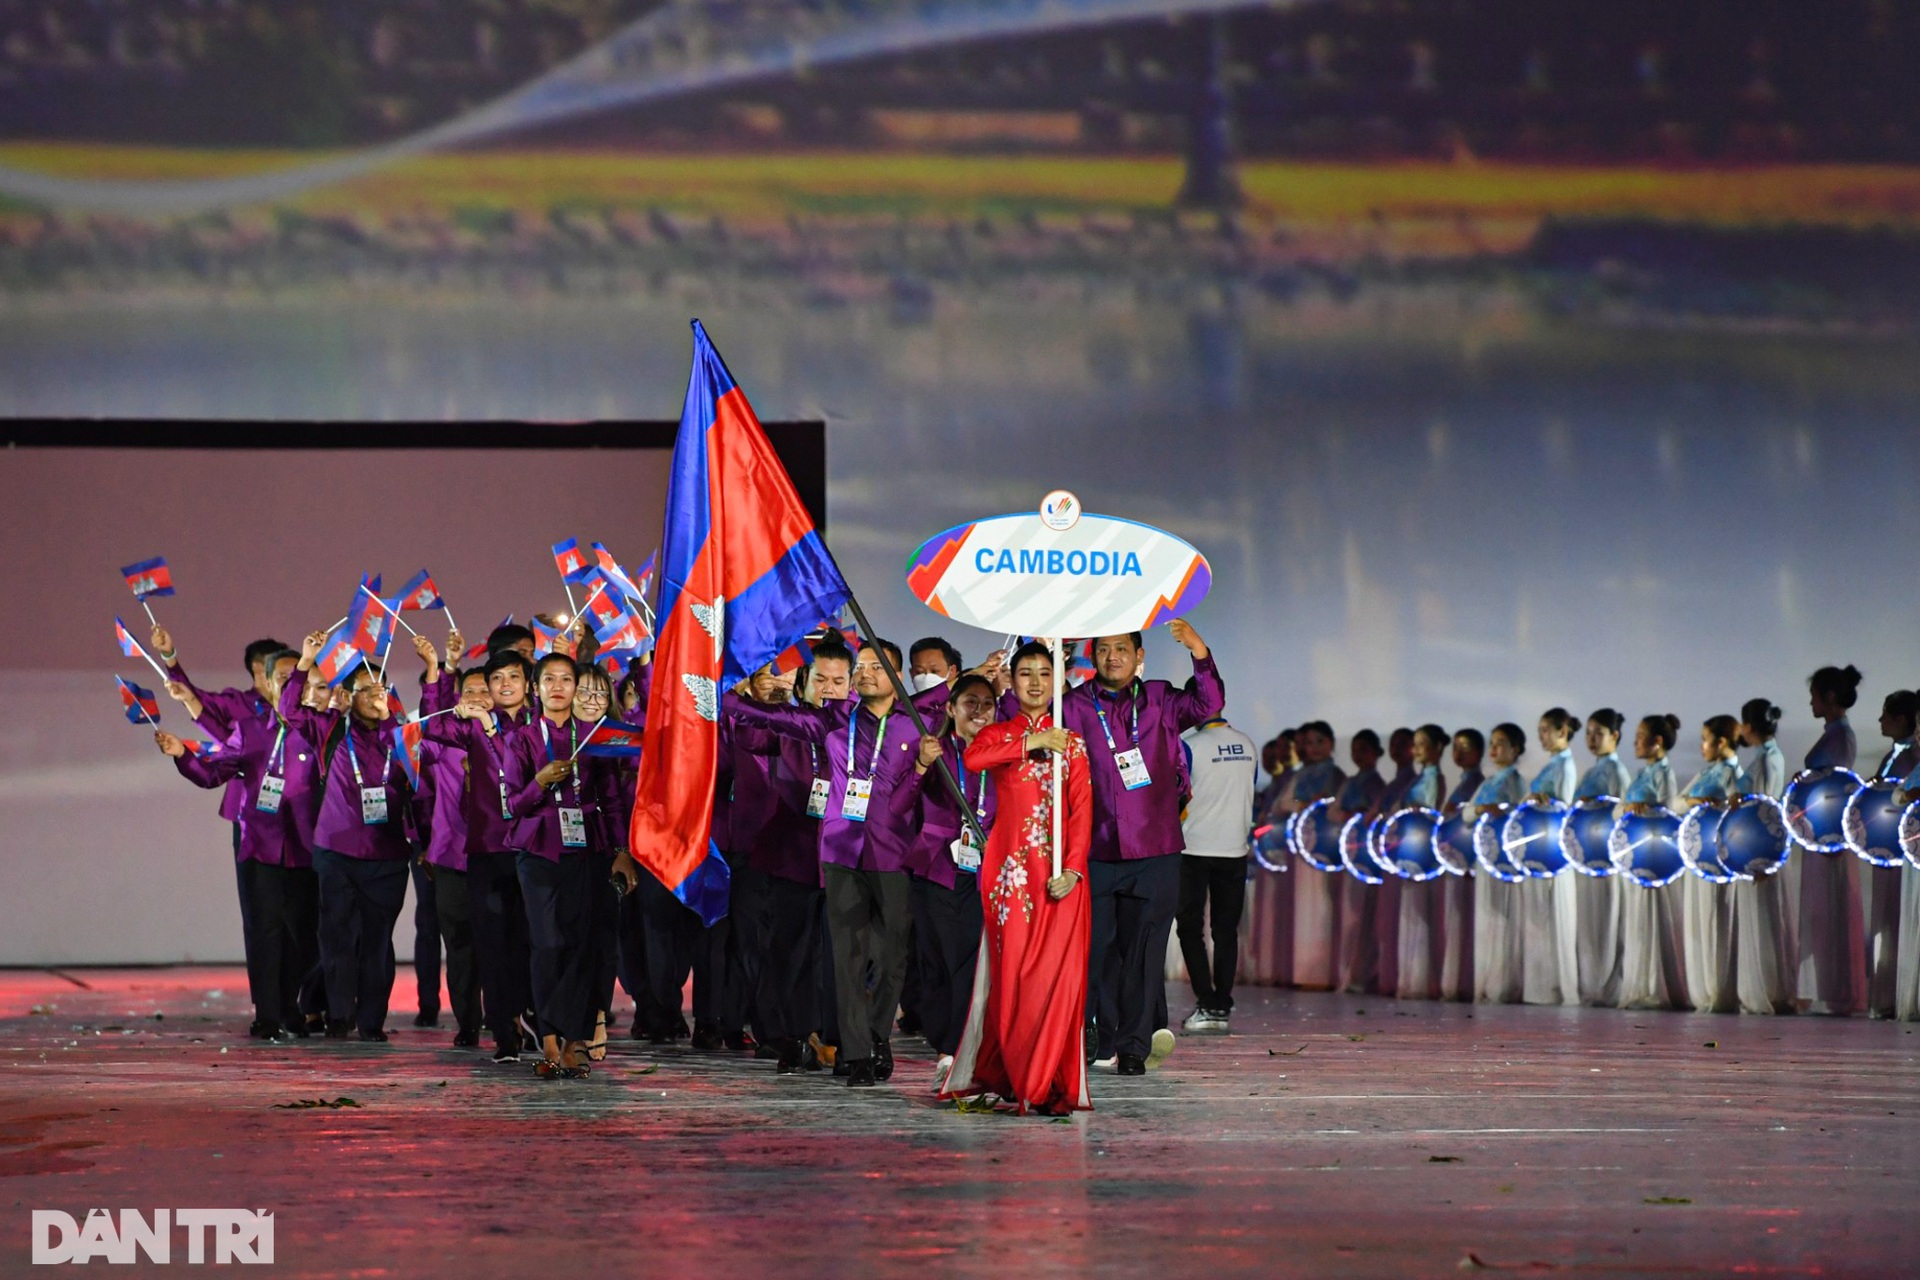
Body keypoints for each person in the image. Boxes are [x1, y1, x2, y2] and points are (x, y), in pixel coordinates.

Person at [727, 638, 925, 1087]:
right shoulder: (795, 725)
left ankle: (855, 1039)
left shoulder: (871, 725)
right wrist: (745, 695)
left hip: (868, 854)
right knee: (795, 954)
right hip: (794, 853)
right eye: (822, 680)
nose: (832, 689)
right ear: (803, 682)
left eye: (840, 679)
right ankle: (801, 1036)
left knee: (868, 956)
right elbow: (749, 735)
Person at [1066, 621, 1223, 1075]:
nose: (1112, 657)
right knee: (1091, 952)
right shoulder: (1074, 706)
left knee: (1143, 953)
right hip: (1093, 849)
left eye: (1122, 649)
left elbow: (1208, 702)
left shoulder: (1161, 699)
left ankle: (1133, 1047)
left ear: (1140, 657)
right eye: (1103, 650)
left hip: (1155, 849)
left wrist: (1198, 649)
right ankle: (1092, 1034)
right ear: (1091, 658)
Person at [943, 642, 1092, 1115]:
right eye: (1025, 673)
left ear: (1057, 681)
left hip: (1060, 877)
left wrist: (1072, 869)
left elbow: (1082, 811)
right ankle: (1015, 1073)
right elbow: (974, 760)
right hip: (1010, 876)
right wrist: (1032, 743)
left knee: (1057, 978)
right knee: (1014, 979)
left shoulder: (1073, 742)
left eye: (1044, 674)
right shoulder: (999, 734)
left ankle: (1048, 1081)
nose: (1034, 683)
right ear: (1012, 679)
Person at [156, 647, 319, 1042]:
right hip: (260, 843)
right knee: (264, 930)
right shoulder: (248, 728)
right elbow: (214, 774)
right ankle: (267, 1015)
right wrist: (183, 755)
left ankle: (291, 1007)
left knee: (303, 933)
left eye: (295, 676)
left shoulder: (317, 727)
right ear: (264, 681)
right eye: (280, 677)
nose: (286, 684)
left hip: (307, 845)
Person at [489, 654, 621, 1079]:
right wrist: (541, 780)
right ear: (536, 687)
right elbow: (514, 803)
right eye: (550, 680)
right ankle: (547, 1037)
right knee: (547, 944)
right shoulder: (523, 739)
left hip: (588, 850)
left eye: (568, 679)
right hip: (539, 851)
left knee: (581, 944)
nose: (559, 687)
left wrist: (623, 850)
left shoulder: (594, 738)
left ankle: (573, 1041)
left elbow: (614, 799)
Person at [282, 636, 418, 1041]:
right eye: (366, 689)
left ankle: (372, 1021)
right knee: (337, 937)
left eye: (382, 687)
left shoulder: (404, 736)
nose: (376, 695)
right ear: (348, 695)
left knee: (377, 942)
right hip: (336, 852)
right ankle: (340, 1015)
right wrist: (305, 662)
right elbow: (290, 710)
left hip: (388, 854)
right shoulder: (329, 730)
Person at [422, 647, 539, 1062]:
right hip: (488, 852)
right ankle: (505, 1035)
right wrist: (439, 672)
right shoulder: (470, 727)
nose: (505, 685)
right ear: (487, 688)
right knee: (492, 946)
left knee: (533, 942)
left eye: (514, 677)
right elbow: (433, 726)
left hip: (535, 849)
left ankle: (534, 1018)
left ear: (528, 686)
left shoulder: (540, 725)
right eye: (497, 679)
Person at [905, 675, 999, 1079]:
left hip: (985, 870)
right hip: (936, 867)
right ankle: (942, 1034)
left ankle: (955, 1045)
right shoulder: (935, 749)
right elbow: (899, 802)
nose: (978, 711)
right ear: (950, 707)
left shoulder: (1002, 753)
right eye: (970, 703)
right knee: (936, 960)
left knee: (970, 960)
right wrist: (921, 766)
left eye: (987, 704)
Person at [411, 634, 483, 1048]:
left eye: (481, 690)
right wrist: (438, 670)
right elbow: (429, 720)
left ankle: (505, 1016)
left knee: (498, 941)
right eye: (467, 691)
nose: (475, 696)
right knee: (457, 943)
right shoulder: (443, 742)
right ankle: (468, 1022)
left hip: (496, 856)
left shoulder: (509, 737)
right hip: (452, 857)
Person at [1175, 712, 1257, 1032]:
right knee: (1225, 931)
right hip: (1234, 849)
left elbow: (1177, 794)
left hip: (1193, 848)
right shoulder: (1247, 744)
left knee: (1190, 929)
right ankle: (1221, 1003)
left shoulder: (1188, 745)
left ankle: (1207, 1002)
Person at [1797, 664, 1864, 1015]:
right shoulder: (1834, 734)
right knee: (1822, 912)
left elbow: (1838, 788)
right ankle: (1828, 988)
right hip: (1819, 834)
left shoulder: (1841, 736)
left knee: (1832, 911)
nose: (1811, 702)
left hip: (1831, 835)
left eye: (1814, 696)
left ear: (1830, 697)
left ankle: (1840, 991)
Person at [1675, 716, 1745, 1014]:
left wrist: (1711, 804)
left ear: (1722, 742)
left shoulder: (1734, 774)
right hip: (1696, 856)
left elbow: (1737, 807)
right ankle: (1701, 991)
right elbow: (1677, 803)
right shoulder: (1706, 773)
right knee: (1698, 922)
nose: (1702, 746)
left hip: (1719, 860)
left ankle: (1721, 991)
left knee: (1718, 921)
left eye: (1706, 739)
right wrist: (1694, 802)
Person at [1731, 698, 1794, 1015]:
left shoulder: (1769, 759)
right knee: (1758, 917)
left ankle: (1767, 989)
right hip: (1752, 845)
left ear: (1749, 727)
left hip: (1760, 848)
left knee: (1763, 919)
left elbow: (1766, 808)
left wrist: (1763, 857)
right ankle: (1763, 988)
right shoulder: (1765, 756)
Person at [1617, 715, 1685, 1010]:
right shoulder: (1642, 775)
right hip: (1635, 856)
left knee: (1654, 919)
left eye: (1641, 735)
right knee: (1638, 921)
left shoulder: (1663, 774)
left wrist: (1646, 811)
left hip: (1655, 857)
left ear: (1657, 742)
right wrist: (1628, 809)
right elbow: (1618, 810)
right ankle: (1638, 985)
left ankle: (1656, 987)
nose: (1635, 742)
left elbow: (1670, 814)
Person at [1567, 709, 1630, 1006]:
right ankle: (1590, 986)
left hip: (1606, 863)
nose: (1592, 739)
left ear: (1615, 736)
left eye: (1599, 733)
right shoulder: (1592, 771)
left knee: (1605, 925)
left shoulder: (1617, 773)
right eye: (1589, 733)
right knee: (1589, 926)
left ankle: (1606, 987)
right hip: (1586, 860)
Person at [1280, 721, 1345, 990]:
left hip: (1323, 851)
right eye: (1308, 743)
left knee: (1321, 908)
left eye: (1320, 741)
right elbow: (1283, 804)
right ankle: (1302, 971)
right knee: (1302, 910)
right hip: (1300, 850)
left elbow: (1338, 808)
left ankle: (1321, 972)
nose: (1314, 748)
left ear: (1331, 744)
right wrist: (1301, 805)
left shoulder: (1336, 775)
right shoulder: (1300, 775)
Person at [1525, 707, 1581, 1007]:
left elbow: (1565, 807)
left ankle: (1562, 988)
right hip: (1540, 850)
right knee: (1540, 922)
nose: (1542, 736)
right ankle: (1541, 987)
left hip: (1555, 852)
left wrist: (1549, 803)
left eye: (1546, 729)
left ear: (1563, 730)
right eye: (1540, 731)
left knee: (1557, 919)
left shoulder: (1565, 766)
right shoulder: (1551, 765)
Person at [1466, 724, 1526, 1003]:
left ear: (1515, 750)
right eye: (1493, 743)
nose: (1494, 749)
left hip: (1506, 861)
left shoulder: (1516, 781)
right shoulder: (1487, 782)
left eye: (1501, 743)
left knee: (1505, 919)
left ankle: (1505, 984)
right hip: (1485, 857)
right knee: (1486, 918)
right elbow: (1468, 813)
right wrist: (1480, 809)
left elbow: (1520, 815)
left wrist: (1502, 811)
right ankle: (1486, 983)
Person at [1391, 725, 1448, 1000]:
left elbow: (1428, 812)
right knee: (1411, 913)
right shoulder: (1421, 778)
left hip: (1421, 851)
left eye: (1423, 743)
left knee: (1419, 914)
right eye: (1415, 743)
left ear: (1438, 748)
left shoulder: (1433, 777)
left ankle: (1420, 980)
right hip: (1410, 848)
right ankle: (1411, 979)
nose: (1417, 749)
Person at [1329, 729, 1388, 994]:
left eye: (1364, 749)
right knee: (1350, 916)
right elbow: (1333, 812)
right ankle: (1348, 973)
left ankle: (1362, 974)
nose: (1358, 754)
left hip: (1366, 859)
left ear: (1376, 752)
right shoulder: (1350, 783)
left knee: (1363, 917)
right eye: (1355, 748)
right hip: (1347, 856)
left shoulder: (1377, 784)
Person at [1439, 729, 1487, 1000]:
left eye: (1466, 747)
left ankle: (1465, 981)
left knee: (1466, 919)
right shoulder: (1462, 783)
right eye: (1455, 747)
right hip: (1454, 858)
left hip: (1468, 861)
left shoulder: (1477, 784)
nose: (1459, 753)